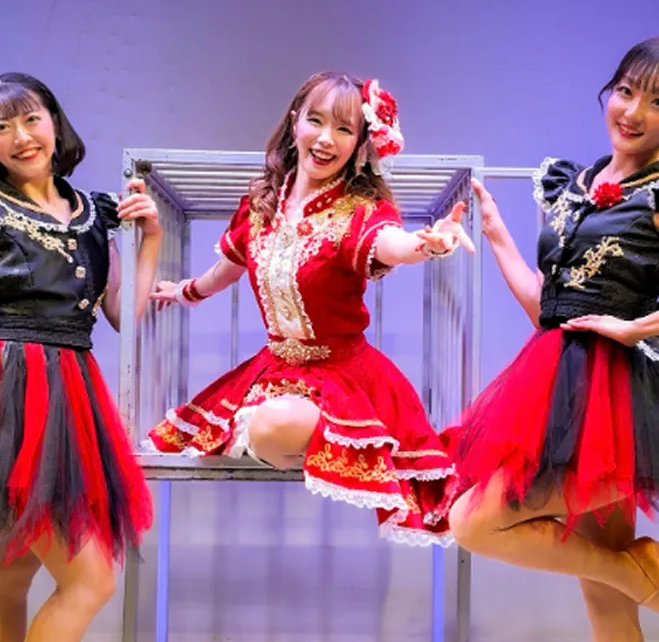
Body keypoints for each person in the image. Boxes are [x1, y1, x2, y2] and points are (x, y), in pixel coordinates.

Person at [147, 70, 474, 546]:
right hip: (273, 368)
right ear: (295, 121)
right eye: (316, 121)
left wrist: (428, 244)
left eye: (343, 129)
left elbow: (390, 243)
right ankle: (318, 448)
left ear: (359, 143)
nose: (325, 139)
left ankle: (346, 443)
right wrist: (186, 292)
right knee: (261, 428)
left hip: (345, 376)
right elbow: (230, 267)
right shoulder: (260, 205)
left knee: (271, 427)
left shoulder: (358, 210)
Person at [447, 37, 659, 641]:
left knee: (474, 522)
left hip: (618, 399)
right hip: (561, 386)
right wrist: (496, 234)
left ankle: (639, 573)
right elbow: (547, 308)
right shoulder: (576, 182)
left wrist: (635, 327)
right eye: (626, 91)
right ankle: (634, 573)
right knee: (604, 599)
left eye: (657, 102)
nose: (633, 112)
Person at [0, 72, 160, 642]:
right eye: (1, 127)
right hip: (11, 390)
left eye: (31, 119)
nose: (21, 136)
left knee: (11, 574)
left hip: (70, 390)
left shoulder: (94, 212)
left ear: (54, 122)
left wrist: (152, 240)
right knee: (87, 581)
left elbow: (122, 314)